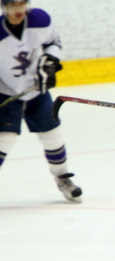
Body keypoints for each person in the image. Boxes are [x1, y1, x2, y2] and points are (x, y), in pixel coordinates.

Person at [0, 0, 81, 201]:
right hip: (6, 92)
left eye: (22, 4)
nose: (18, 10)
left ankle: (63, 178)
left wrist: (50, 63)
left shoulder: (39, 20)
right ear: (3, 7)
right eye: (12, 5)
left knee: (52, 134)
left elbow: (53, 42)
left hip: (37, 88)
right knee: (5, 139)